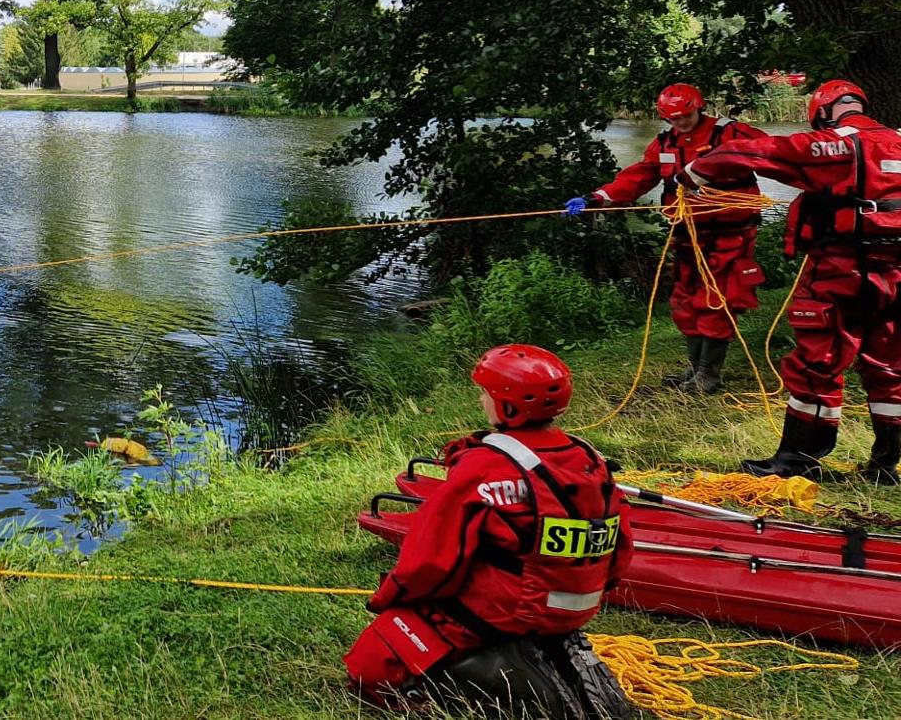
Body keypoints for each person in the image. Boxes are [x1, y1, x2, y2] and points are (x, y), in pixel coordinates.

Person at [345, 345, 632, 718]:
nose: (482, 400)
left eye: (487, 394)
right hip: (573, 610)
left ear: (508, 407)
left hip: (506, 611)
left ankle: (483, 675)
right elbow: (621, 545)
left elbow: (431, 558)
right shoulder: (589, 459)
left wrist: (390, 596)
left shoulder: (485, 467)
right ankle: (538, 655)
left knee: (370, 667)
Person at [687, 80, 901, 484]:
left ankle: (798, 460)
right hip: (896, 277)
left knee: (815, 366)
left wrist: (693, 171)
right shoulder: (896, 141)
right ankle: (886, 466)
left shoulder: (833, 145)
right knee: (890, 368)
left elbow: (744, 151)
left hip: (841, 272)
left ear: (822, 112)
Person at [566, 84, 770, 394]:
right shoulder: (665, 143)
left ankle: (708, 374)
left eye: (685, 117)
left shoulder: (731, 134)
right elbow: (638, 177)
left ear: (698, 108)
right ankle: (695, 367)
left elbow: (780, 155)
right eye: (673, 119)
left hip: (731, 233)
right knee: (684, 301)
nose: (681, 123)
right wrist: (597, 198)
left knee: (716, 300)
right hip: (687, 232)